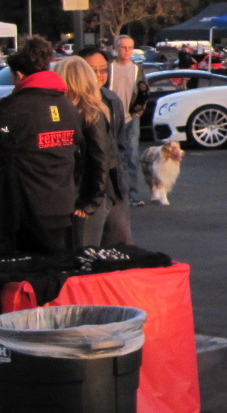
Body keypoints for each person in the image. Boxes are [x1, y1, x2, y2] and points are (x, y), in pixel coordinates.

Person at [0, 36, 84, 254]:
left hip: (25, 211)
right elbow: (79, 152)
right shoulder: (68, 106)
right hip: (63, 205)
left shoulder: (12, 109)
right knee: (56, 275)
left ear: (19, 75)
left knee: (27, 278)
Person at [54, 56, 116, 250]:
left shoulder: (91, 114)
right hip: (77, 195)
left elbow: (101, 161)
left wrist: (90, 203)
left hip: (89, 198)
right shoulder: (74, 112)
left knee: (83, 254)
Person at [80, 49, 133, 246]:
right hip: (88, 184)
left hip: (114, 181)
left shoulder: (112, 99)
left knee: (119, 240)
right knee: (87, 245)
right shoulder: (73, 102)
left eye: (103, 70)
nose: (99, 76)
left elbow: (119, 142)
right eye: (92, 70)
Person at [108, 35, 150, 204]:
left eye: (130, 48)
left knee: (132, 156)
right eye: (124, 47)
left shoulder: (137, 69)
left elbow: (144, 91)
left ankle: (133, 194)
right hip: (111, 118)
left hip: (131, 118)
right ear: (116, 48)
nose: (127, 51)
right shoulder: (109, 68)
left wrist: (139, 112)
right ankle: (113, 192)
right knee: (112, 156)